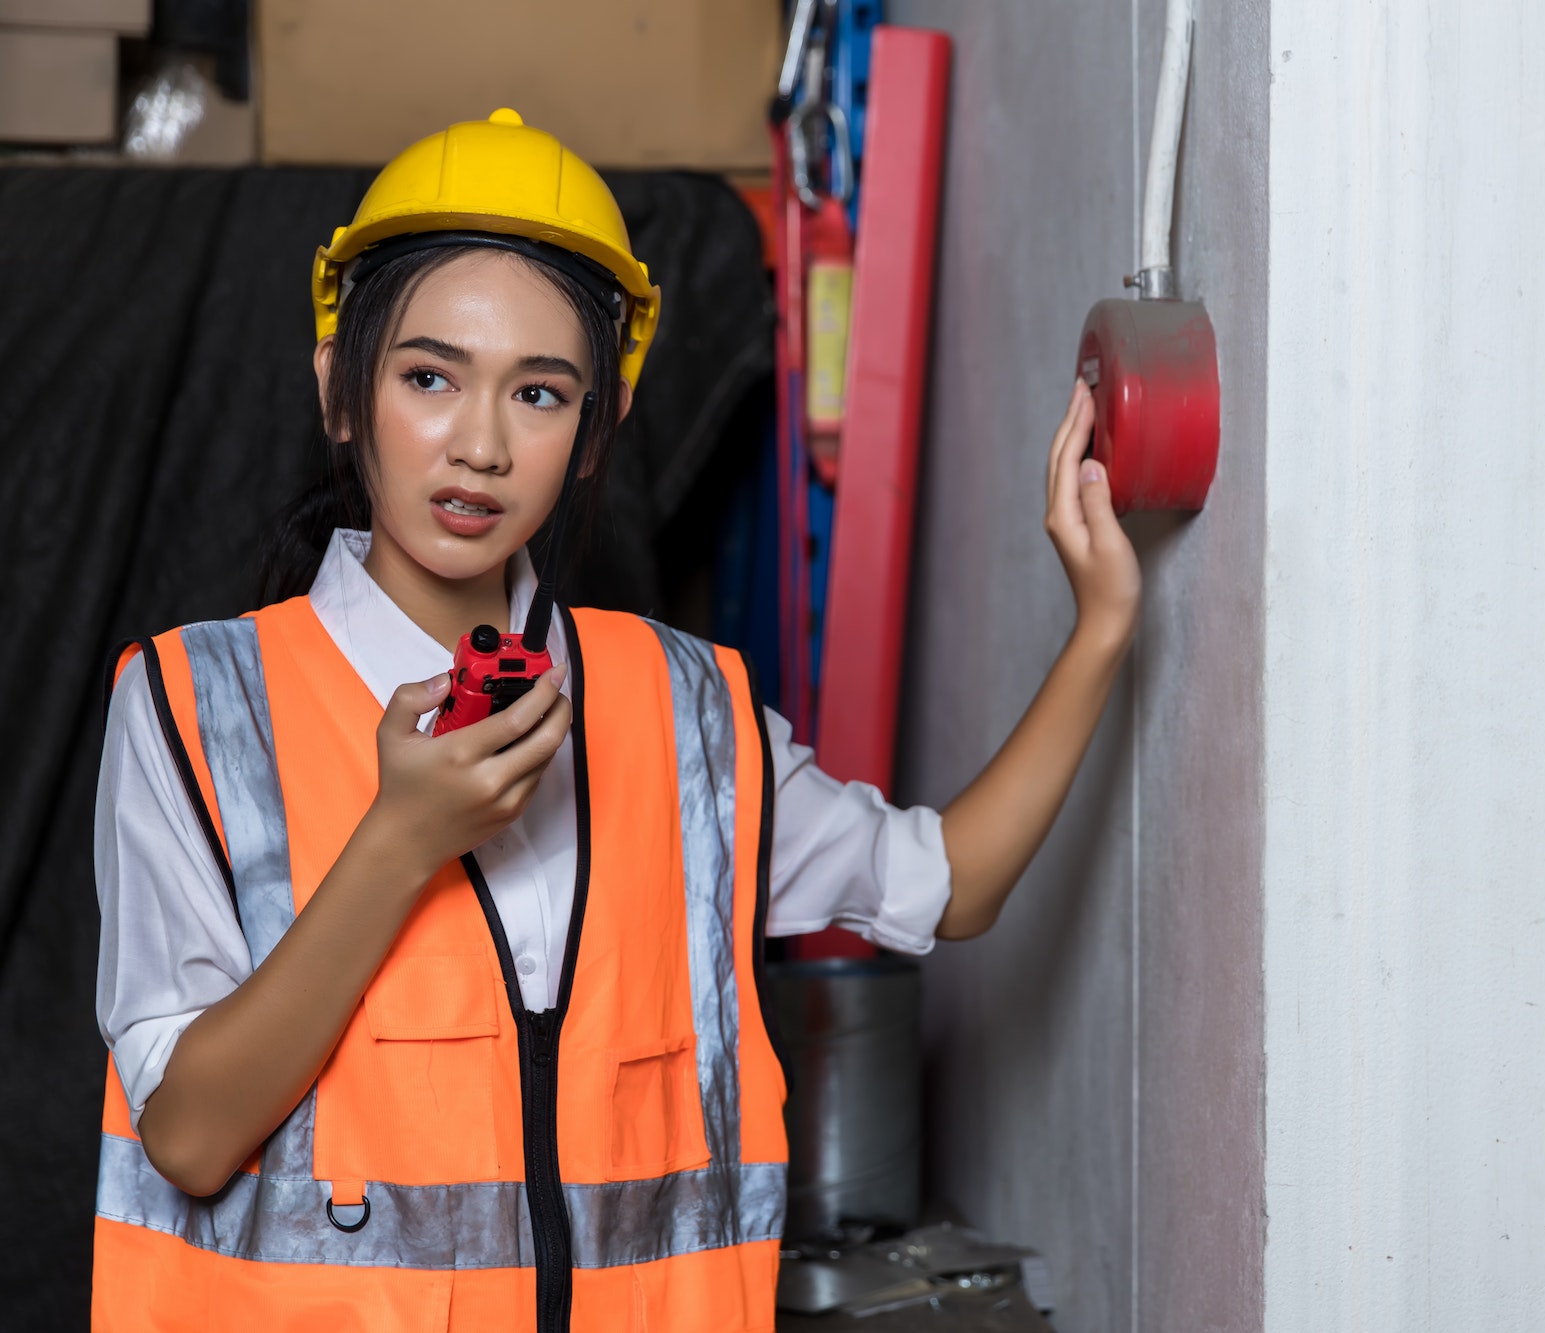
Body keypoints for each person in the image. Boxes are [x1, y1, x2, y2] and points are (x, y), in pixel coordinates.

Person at [89, 111, 1139, 1330]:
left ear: (599, 426)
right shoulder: (191, 703)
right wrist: (398, 841)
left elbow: (946, 883)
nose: (478, 446)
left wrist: (1103, 625)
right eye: (428, 377)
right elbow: (190, 1135)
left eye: (539, 394)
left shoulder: (687, 712)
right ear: (340, 391)